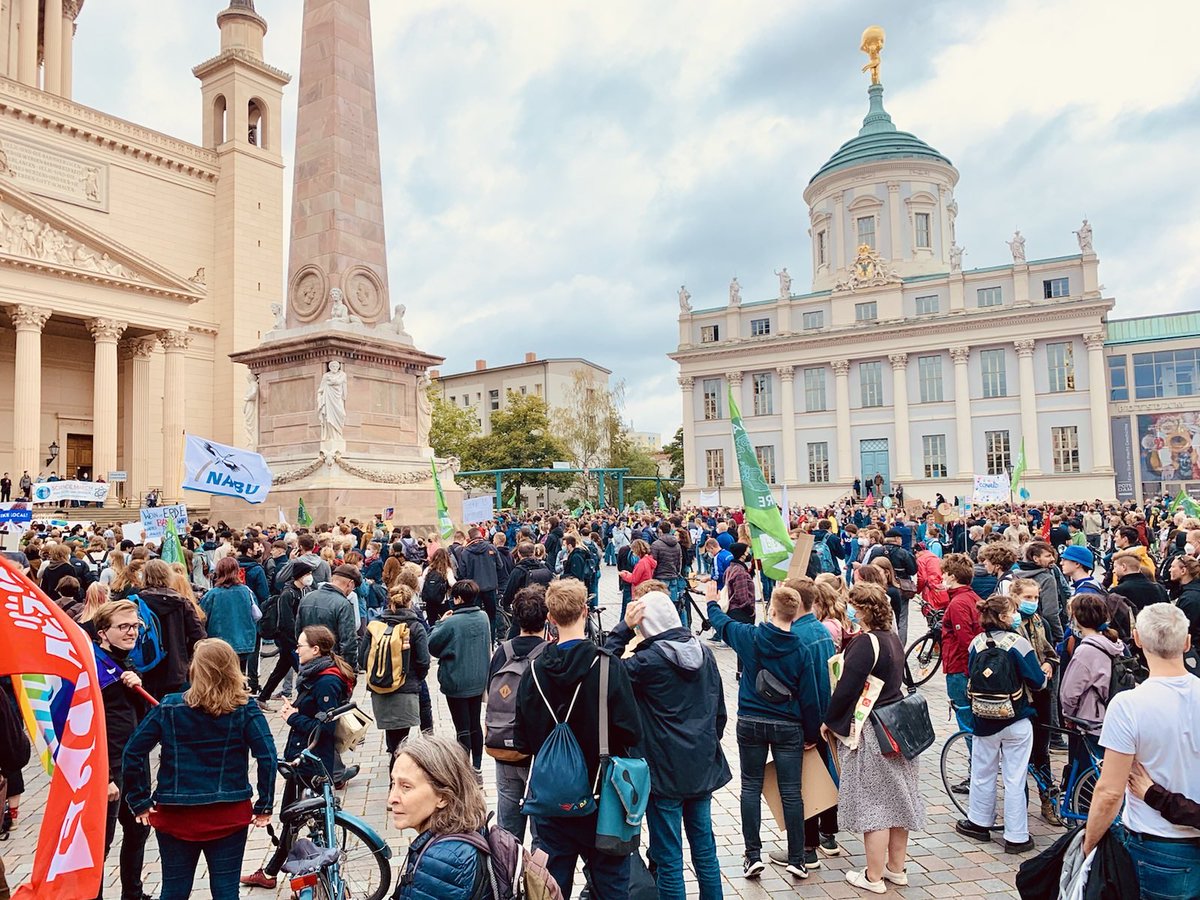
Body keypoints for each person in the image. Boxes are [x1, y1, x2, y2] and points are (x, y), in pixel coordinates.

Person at [514, 578, 641, 900]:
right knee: (612, 883)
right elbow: (630, 731)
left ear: (550, 619)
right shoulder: (607, 666)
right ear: (586, 611)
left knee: (552, 887)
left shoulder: (534, 669)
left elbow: (522, 741)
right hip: (602, 797)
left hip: (551, 799)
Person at [122, 639, 276, 900]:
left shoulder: (170, 706)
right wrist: (265, 804)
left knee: (174, 889)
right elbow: (267, 756)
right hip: (228, 810)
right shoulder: (244, 708)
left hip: (176, 813)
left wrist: (139, 800)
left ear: (196, 669)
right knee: (226, 891)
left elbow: (133, 752)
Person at [604, 589, 729, 900]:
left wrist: (622, 629)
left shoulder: (647, 663)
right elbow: (720, 712)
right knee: (705, 851)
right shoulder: (704, 653)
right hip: (700, 767)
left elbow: (604, 671)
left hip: (663, 770)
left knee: (669, 856)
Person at [1083, 604, 1200, 900]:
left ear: (1137, 639)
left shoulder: (1129, 705)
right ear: (1186, 642)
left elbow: (1110, 791)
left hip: (1159, 842)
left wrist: (1089, 843)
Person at [705, 581, 817, 879]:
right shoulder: (801, 650)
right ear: (794, 615)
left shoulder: (751, 637)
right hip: (788, 725)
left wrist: (712, 601)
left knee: (750, 787)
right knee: (792, 792)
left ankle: (752, 855)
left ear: (771, 609)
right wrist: (811, 734)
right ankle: (797, 858)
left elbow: (723, 624)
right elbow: (810, 697)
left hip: (751, 721)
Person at [821, 583, 925, 894]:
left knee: (875, 805)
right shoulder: (892, 638)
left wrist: (829, 722)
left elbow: (847, 688)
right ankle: (896, 869)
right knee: (899, 801)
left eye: (853, 605)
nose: (850, 610)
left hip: (873, 729)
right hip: (898, 726)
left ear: (863, 609)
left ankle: (874, 876)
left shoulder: (865, 642)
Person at [241, 625, 357, 890]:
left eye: (301, 645)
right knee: (298, 820)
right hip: (304, 758)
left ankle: (283, 874)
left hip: (310, 761)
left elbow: (325, 727)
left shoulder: (326, 680)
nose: (296, 649)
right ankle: (283, 872)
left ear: (315, 650)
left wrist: (292, 717)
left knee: (294, 819)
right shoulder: (315, 675)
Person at [955, 592, 1048, 854]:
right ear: (1005, 616)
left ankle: (979, 822)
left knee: (983, 773)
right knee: (1015, 777)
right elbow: (1037, 682)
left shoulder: (976, 643)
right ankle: (1016, 836)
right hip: (1016, 717)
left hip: (984, 717)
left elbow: (969, 672)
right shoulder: (1018, 643)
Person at [92, 600, 152, 900]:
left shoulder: (126, 661)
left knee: (140, 828)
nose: (132, 633)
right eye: (124, 627)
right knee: (100, 841)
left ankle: (133, 893)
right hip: (109, 766)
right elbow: (87, 727)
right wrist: (104, 776)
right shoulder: (94, 668)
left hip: (135, 762)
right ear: (103, 632)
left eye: (135, 626)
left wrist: (138, 687)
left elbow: (141, 716)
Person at [390, 733, 490, 900]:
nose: (392, 798)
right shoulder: (469, 827)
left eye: (406, 786)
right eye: (393, 783)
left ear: (443, 797)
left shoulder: (440, 862)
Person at [487, 587, 548, 843]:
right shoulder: (548, 654)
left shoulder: (503, 651)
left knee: (508, 827)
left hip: (504, 746)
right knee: (541, 831)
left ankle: (506, 876)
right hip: (538, 753)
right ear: (546, 619)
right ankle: (536, 880)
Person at [1010, 577, 1062, 824]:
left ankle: (1047, 801)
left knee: (1041, 750)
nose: (1032, 602)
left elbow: (1052, 652)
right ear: (1015, 596)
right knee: (1017, 753)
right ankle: (1019, 805)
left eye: (1035, 597)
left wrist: (1049, 663)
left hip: (1041, 692)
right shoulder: (1010, 624)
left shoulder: (1041, 623)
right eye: (1027, 597)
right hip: (1019, 694)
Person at [428, 579, 491, 773]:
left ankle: (463, 767)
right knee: (475, 723)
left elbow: (433, 646)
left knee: (462, 727)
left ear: (458, 598)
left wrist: (440, 622)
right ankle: (477, 766)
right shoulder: (483, 617)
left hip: (456, 680)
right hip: (478, 679)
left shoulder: (452, 622)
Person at [362, 583, 430, 763]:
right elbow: (424, 661)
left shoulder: (375, 625)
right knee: (402, 741)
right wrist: (414, 678)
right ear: (410, 602)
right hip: (406, 690)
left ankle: (395, 774)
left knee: (392, 738)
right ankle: (397, 780)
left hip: (379, 689)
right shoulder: (415, 627)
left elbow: (363, 659)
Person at [1060, 592, 1127, 770]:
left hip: (1090, 720)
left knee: (1085, 771)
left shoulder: (1086, 650)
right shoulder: (1115, 643)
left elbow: (1069, 692)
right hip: (1112, 716)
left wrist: (1068, 714)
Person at [139, 559, 207, 699]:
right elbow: (198, 635)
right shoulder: (181, 602)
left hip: (146, 666)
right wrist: (185, 657)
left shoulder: (137, 602)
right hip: (176, 667)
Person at [257, 560, 313, 704]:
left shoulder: (306, 590)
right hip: (290, 640)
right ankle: (306, 699)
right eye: (307, 573)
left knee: (281, 669)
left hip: (299, 638)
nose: (309, 576)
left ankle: (263, 697)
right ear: (299, 576)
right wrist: (295, 642)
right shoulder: (288, 594)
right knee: (302, 671)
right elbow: (286, 621)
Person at [940, 554, 983, 739]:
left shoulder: (958, 603)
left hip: (960, 668)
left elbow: (966, 640)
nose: (942, 578)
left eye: (944, 574)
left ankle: (975, 764)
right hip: (967, 667)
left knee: (967, 723)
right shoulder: (973, 597)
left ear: (952, 576)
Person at [200, 557, 259, 676]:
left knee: (221, 678)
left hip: (219, 645)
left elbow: (202, 618)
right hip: (244, 642)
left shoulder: (212, 595)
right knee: (239, 676)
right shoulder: (247, 592)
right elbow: (255, 615)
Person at [295, 563, 359, 660]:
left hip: (309, 659)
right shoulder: (343, 604)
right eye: (353, 587)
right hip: (331, 662)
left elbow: (298, 631)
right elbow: (348, 644)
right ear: (350, 584)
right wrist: (350, 669)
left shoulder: (307, 597)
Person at [1111, 549, 1169, 614]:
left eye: (1115, 567)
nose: (1113, 571)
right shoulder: (1159, 588)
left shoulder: (1118, 591)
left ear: (1124, 567)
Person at [1168, 554, 1200, 649]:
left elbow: (1184, 629)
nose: (1170, 570)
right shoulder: (1188, 593)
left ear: (1183, 571)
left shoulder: (1190, 598)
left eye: (1173, 567)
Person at [419, 548, 453, 622]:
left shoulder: (428, 569)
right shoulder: (447, 570)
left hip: (429, 601)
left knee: (432, 622)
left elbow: (422, 583)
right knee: (446, 622)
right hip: (442, 601)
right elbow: (452, 583)